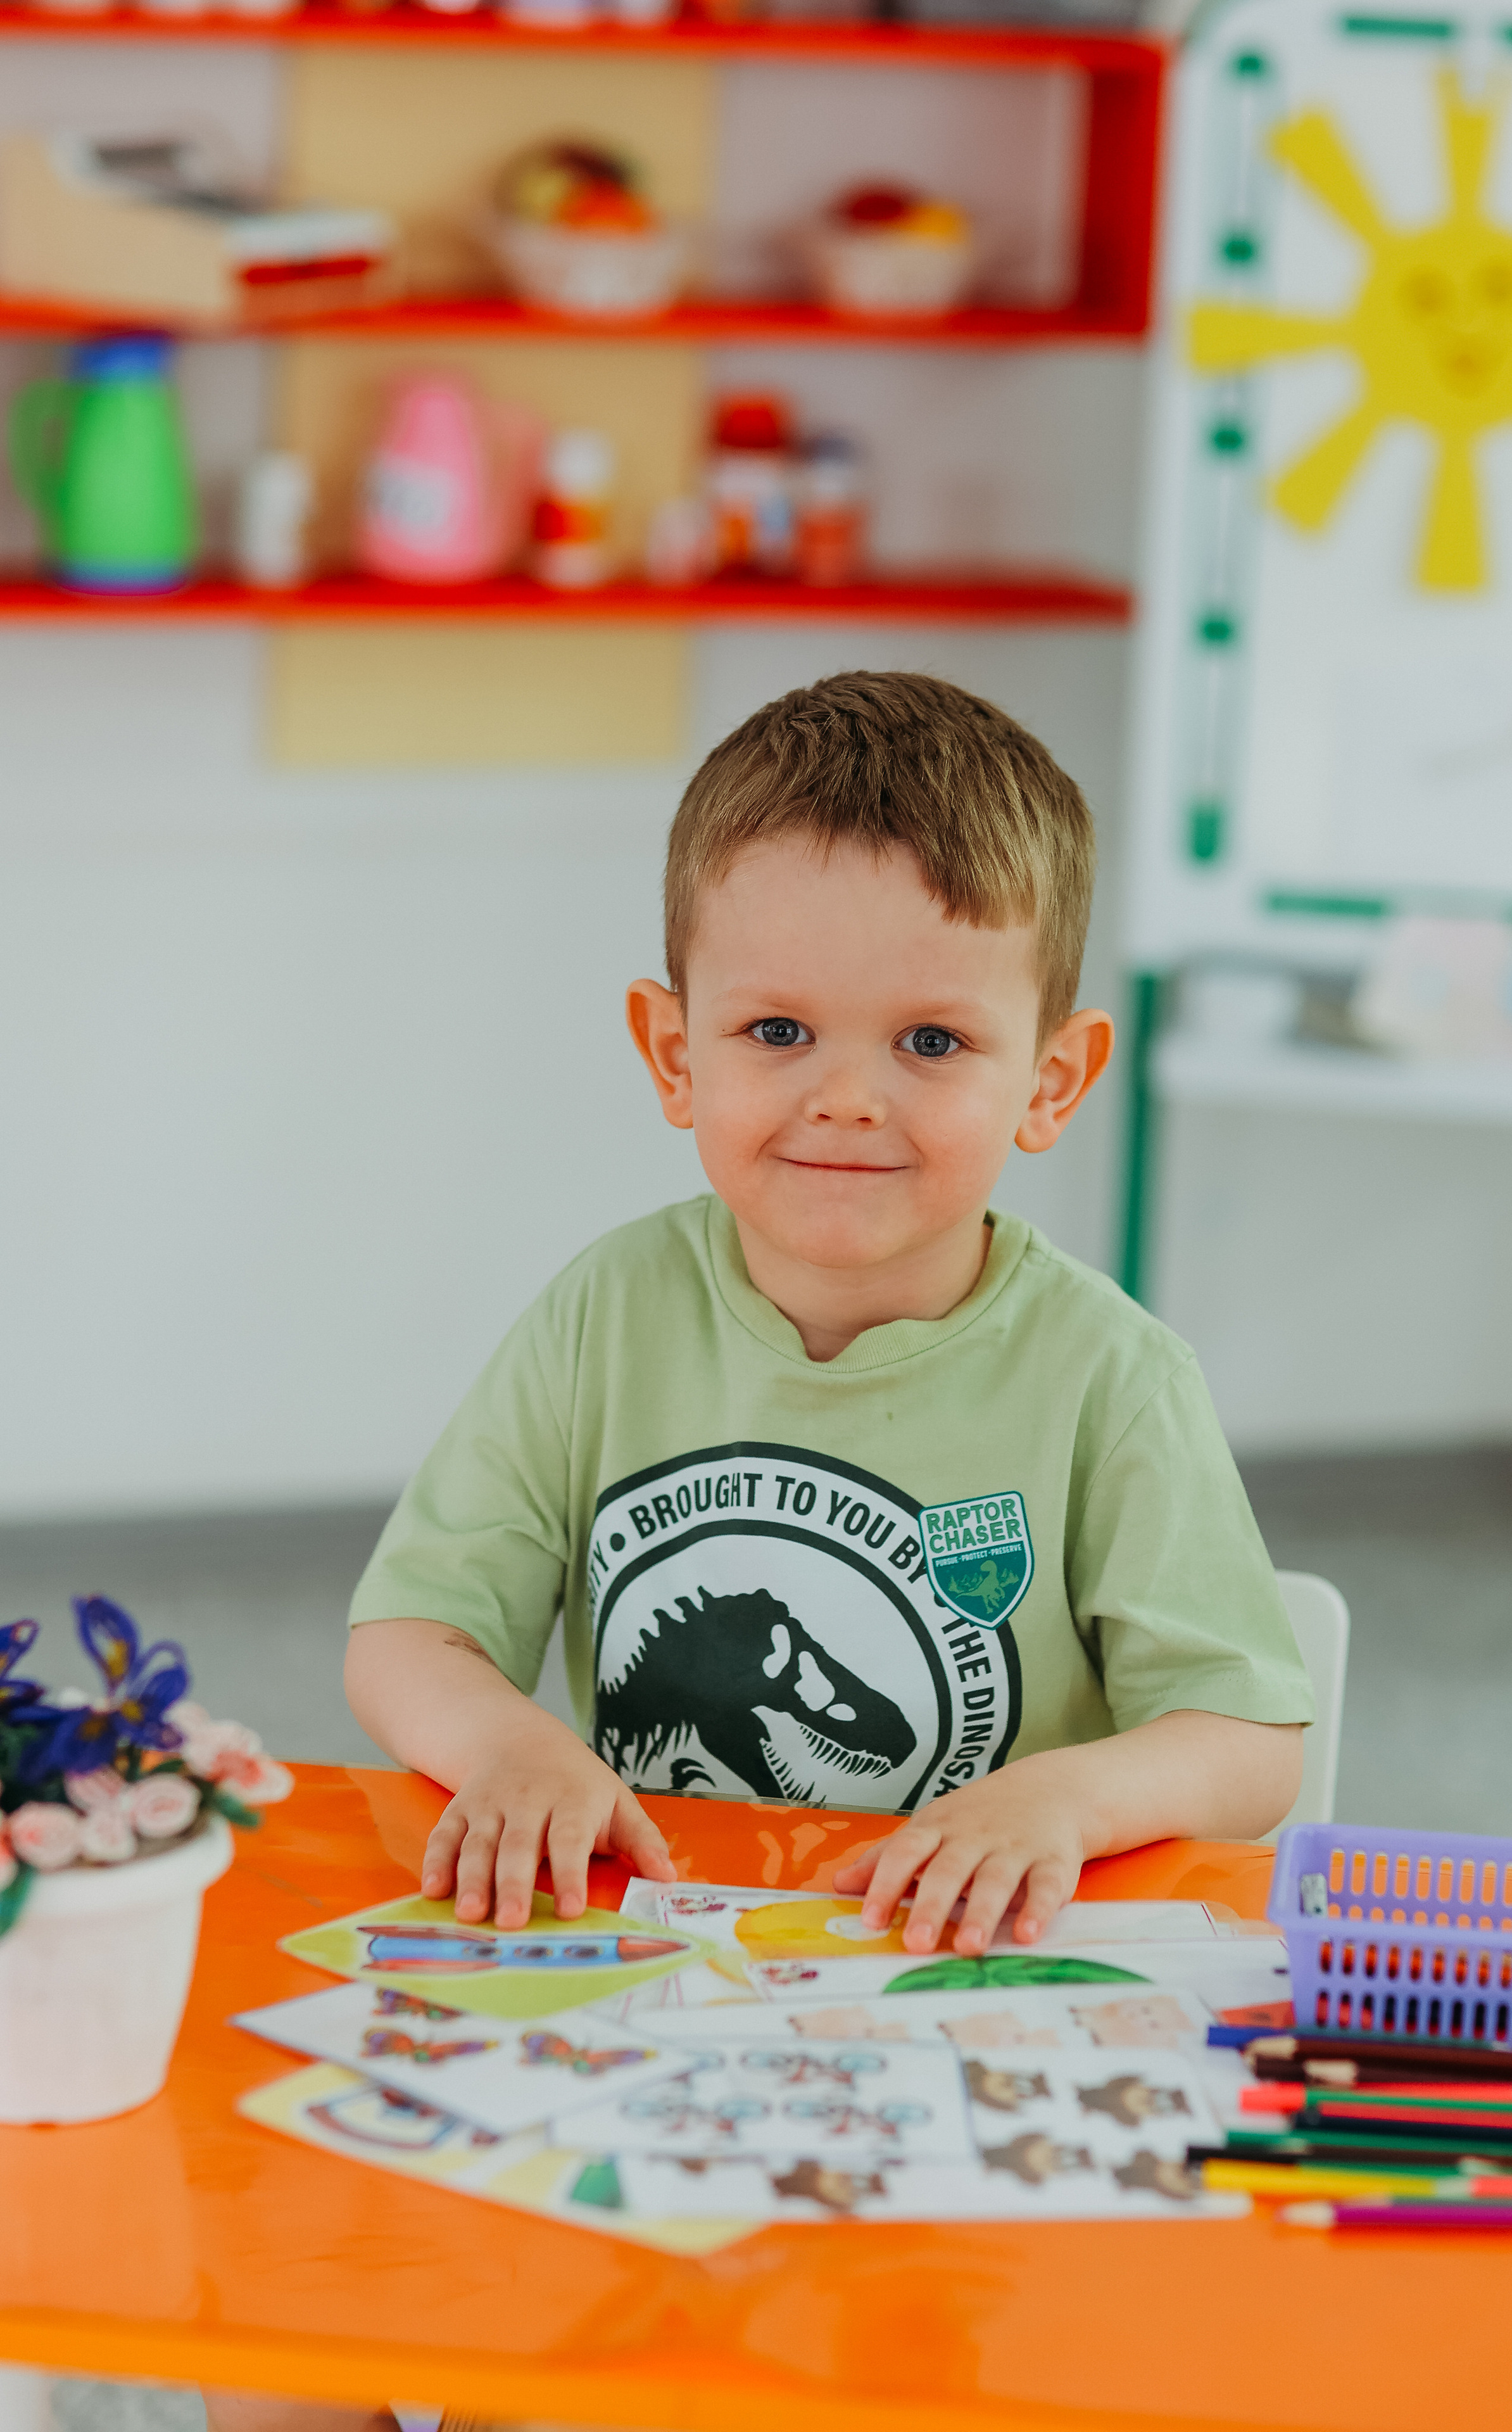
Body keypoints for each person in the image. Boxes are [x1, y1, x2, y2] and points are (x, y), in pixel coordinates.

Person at [207, 671, 1310, 2432]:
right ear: (674, 1052)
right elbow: (412, 1631)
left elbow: (1252, 1742)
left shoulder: (1113, 1378)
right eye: (779, 1032)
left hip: (950, 2031)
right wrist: (509, 1743)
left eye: (933, 1042)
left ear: (1056, 1076)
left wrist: (1068, 1798)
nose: (847, 1100)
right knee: (277, 2320)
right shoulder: (605, 1314)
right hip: (643, 1985)